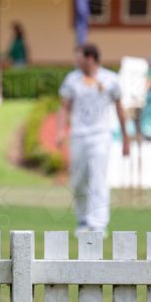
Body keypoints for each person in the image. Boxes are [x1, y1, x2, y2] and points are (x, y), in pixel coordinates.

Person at [56, 44, 130, 238]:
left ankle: (98, 224)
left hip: (101, 135)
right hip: (79, 134)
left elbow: (120, 108)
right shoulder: (72, 80)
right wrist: (60, 131)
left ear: (90, 58)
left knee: (98, 178)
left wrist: (125, 139)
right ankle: (82, 220)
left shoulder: (111, 80)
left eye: (79, 57)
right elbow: (64, 107)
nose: (76, 61)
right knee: (79, 179)